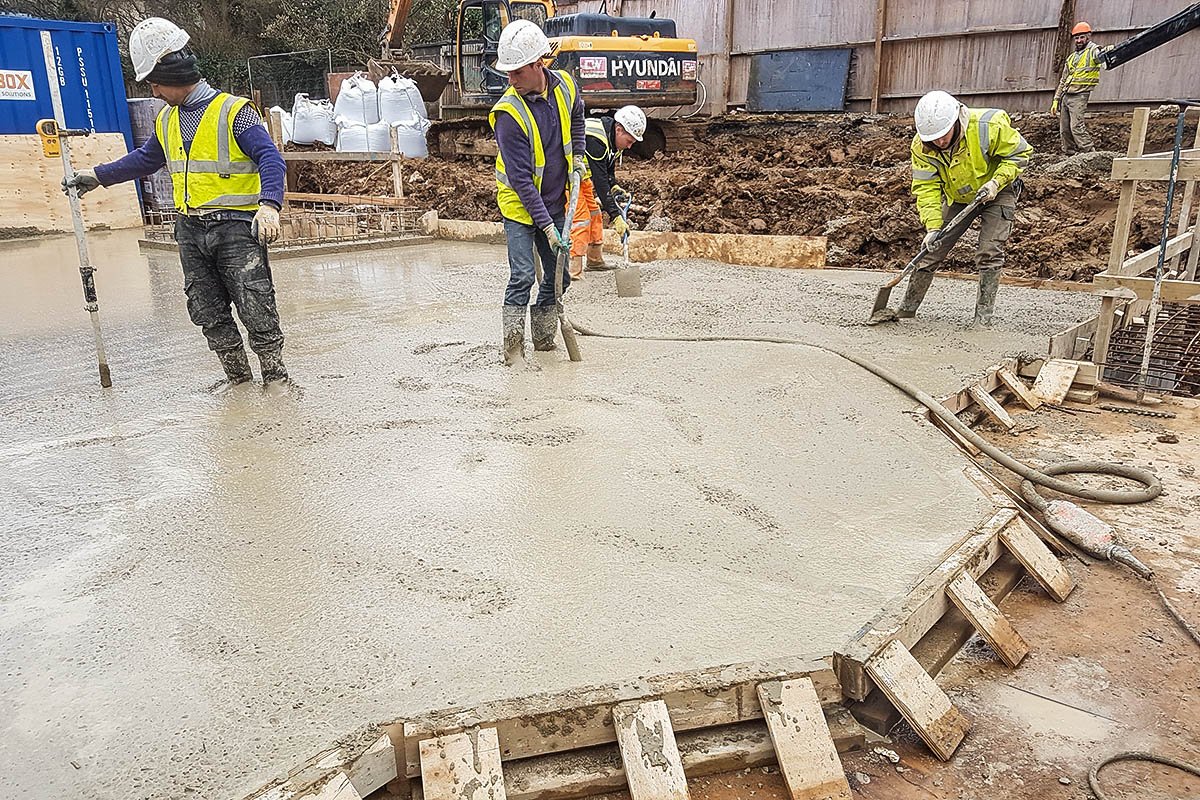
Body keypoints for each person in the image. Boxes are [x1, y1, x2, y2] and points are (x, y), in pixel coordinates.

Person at [63, 17, 288, 388]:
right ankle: (239, 381)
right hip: (190, 228)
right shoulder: (167, 118)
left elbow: (270, 159)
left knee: (255, 303)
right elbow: (146, 159)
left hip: (236, 227)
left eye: (153, 83)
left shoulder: (235, 111)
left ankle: (276, 380)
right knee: (206, 309)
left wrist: (269, 205)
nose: (152, 91)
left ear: (172, 77)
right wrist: (97, 176)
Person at [489, 20, 586, 364]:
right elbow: (520, 180)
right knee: (523, 276)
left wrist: (577, 157)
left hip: (554, 199)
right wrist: (547, 227)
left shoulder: (566, 88)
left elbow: (577, 117)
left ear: (538, 64)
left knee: (560, 275)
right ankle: (513, 349)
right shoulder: (508, 115)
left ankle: (544, 339)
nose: (510, 80)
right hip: (520, 205)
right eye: (508, 73)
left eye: (516, 72)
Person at [897, 90, 1032, 326]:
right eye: (933, 139)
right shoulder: (922, 146)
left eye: (943, 135)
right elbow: (926, 186)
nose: (939, 142)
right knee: (931, 249)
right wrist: (933, 227)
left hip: (998, 191)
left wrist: (996, 181)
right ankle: (906, 310)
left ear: (956, 120)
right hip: (959, 194)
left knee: (989, 251)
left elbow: (1020, 154)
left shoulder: (989, 125)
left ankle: (983, 319)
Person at [569, 105, 646, 278]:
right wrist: (616, 215)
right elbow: (600, 181)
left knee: (595, 214)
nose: (629, 146)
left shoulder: (612, 137)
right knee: (581, 219)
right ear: (619, 130)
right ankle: (573, 269)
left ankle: (595, 260)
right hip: (565, 176)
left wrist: (615, 186)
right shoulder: (595, 139)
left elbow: (608, 170)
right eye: (630, 141)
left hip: (581, 177)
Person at [1052, 22, 1104, 155]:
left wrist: (1107, 52)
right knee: (1064, 129)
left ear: (1088, 36)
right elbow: (1063, 80)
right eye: (1077, 38)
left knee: (1076, 126)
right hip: (1066, 95)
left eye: (1082, 37)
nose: (1079, 40)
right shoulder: (1072, 57)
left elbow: (1102, 55)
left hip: (1080, 95)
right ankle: (1069, 153)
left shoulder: (1093, 51)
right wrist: (1056, 99)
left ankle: (1089, 153)